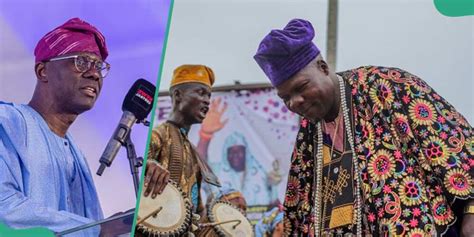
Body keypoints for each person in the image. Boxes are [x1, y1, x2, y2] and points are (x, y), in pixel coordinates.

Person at [254, 18, 473, 236]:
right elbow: (299, 212)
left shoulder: (388, 87)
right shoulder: (309, 134)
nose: (295, 102)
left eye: (301, 87)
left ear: (322, 68)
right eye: (285, 98)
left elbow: (463, 150)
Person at [0, 18, 129, 236]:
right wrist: (98, 229)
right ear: (43, 71)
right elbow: (4, 205)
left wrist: (121, 224)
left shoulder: (76, 154)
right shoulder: (9, 120)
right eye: (81, 61)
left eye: (98, 66)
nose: (94, 74)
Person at [140, 64, 217, 235]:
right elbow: (136, 165)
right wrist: (148, 165)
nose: (207, 100)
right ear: (177, 95)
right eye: (201, 92)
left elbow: (197, 209)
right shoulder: (158, 135)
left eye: (209, 96)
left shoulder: (193, 151)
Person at [196, 98, 283, 206]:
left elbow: (274, 206)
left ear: (246, 154)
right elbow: (199, 163)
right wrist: (205, 135)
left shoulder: (262, 175)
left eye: (239, 151)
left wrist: (273, 187)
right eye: (231, 152)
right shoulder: (217, 172)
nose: (235, 155)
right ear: (226, 155)